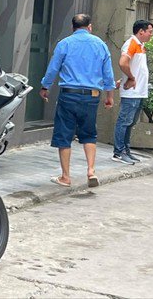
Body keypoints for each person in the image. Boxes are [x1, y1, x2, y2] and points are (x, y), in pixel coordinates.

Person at [39, 14, 116, 188]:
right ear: (90, 27)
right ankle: (91, 171)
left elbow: (53, 68)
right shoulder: (100, 45)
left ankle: (66, 177)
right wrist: (109, 97)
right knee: (89, 134)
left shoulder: (65, 44)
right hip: (92, 96)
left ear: (73, 27)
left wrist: (45, 87)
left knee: (64, 134)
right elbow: (108, 74)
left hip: (68, 95)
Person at [112, 19, 153, 164]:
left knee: (130, 123)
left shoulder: (140, 45)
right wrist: (130, 78)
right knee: (124, 122)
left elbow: (135, 66)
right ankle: (118, 152)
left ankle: (126, 150)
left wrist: (126, 77)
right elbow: (123, 62)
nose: (151, 34)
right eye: (149, 31)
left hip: (139, 91)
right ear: (141, 31)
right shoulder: (132, 43)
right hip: (132, 92)